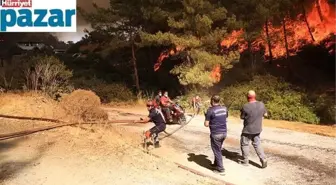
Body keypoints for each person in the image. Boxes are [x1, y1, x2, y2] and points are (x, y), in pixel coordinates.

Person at [239, 90, 268, 168]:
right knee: (257, 143)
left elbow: (242, 117)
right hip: (258, 129)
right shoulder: (261, 104)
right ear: (255, 96)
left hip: (247, 129)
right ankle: (263, 159)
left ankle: (245, 161)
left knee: (244, 144)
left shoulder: (245, 106)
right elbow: (265, 114)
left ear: (247, 97)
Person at [204, 95, 228, 175]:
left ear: (212, 101)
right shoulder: (224, 108)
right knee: (218, 149)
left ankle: (220, 169)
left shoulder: (210, 110)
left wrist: (206, 116)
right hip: (224, 133)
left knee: (217, 151)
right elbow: (226, 118)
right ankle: (216, 164)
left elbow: (206, 124)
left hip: (216, 134)